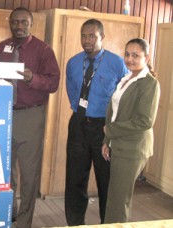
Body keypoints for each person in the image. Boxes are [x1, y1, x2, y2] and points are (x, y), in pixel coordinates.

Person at [0, 7, 60, 228]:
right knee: (5, 171)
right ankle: (8, 213)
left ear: (31, 24)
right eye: (15, 22)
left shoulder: (43, 50)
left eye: (24, 22)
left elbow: (53, 83)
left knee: (29, 174)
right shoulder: (1, 48)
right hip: (2, 114)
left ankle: (24, 222)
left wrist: (33, 78)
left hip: (30, 115)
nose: (19, 26)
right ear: (10, 23)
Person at [65, 19, 129, 225]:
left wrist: (112, 128)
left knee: (106, 180)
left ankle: (108, 223)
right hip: (78, 124)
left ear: (102, 37)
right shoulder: (74, 62)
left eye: (92, 35)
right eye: (83, 35)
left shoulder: (116, 63)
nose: (87, 40)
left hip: (104, 127)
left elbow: (123, 96)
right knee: (75, 179)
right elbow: (72, 92)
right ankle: (75, 223)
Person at [102, 38, 160, 223]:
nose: (130, 59)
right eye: (127, 54)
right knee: (115, 196)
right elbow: (117, 112)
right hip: (119, 143)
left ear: (147, 57)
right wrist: (107, 141)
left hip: (133, 149)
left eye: (136, 55)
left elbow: (145, 121)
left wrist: (110, 131)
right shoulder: (128, 78)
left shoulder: (149, 83)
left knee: (119, 201)